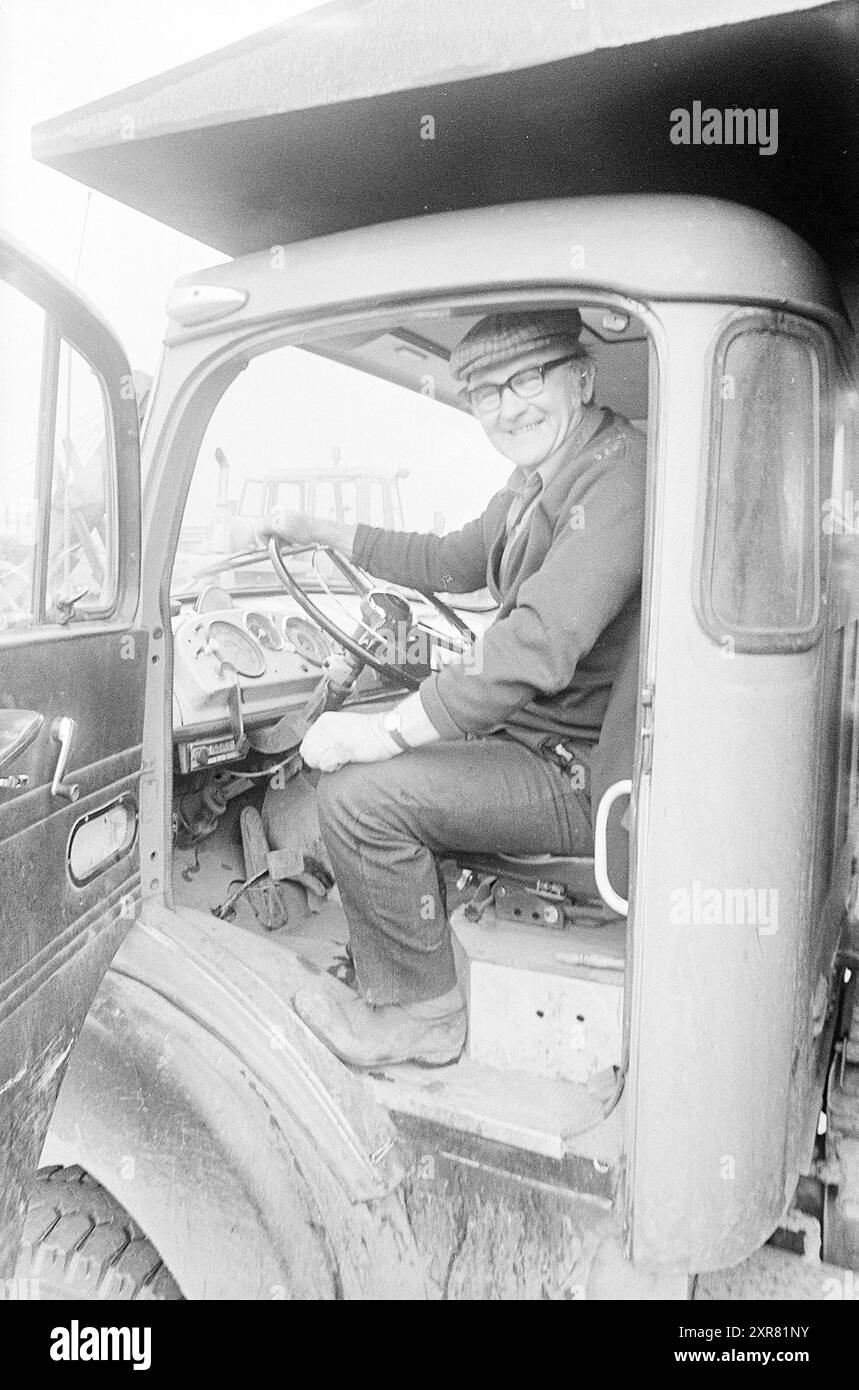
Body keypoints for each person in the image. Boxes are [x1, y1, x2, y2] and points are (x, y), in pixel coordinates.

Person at [267, 308, 646, 1069]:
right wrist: (329, 532)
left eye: (527, 379)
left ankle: (423, 1016)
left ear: (581, 376)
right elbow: (450, 560)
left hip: (575, 772)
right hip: (537, 738)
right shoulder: (537, 479)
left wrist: (385, 732)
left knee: (358, 794)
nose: (508, 408)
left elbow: (534, 643)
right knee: (379, 736)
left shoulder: (618, 473)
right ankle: (394, 957)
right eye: (484, 394)